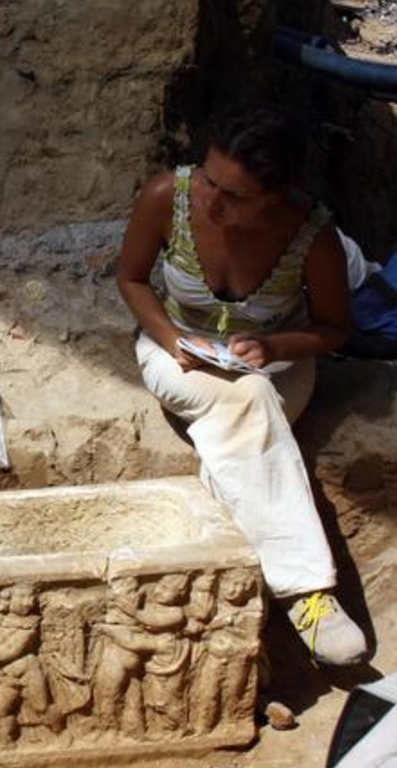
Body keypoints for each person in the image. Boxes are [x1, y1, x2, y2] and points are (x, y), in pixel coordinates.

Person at [115, 102, 368, 666]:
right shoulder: (167, 197)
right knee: (247, 404)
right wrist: (169, 337)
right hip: (176, 351)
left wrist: (275, 347)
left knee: (248, 401)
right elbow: (131, 278)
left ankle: (268, 587)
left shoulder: (312, 236)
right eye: (208, 179)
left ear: (274, 198)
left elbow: (332, 328)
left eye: (234, 195)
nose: (211, 199)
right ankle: (308, 595)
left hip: (277, 360)